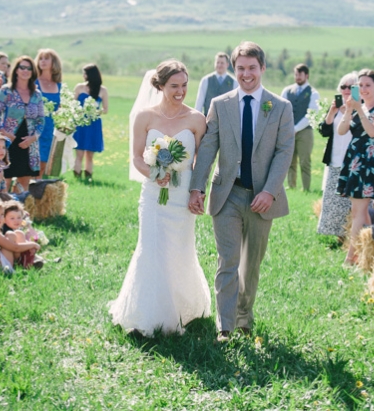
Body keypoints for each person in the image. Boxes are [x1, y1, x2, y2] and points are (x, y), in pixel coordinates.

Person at [189, 41, 295, 342]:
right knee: (228, 261)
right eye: (240, 68)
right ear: (233, 70)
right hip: (228, 194)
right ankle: (226, 326)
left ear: (262, 68)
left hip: (262, 197)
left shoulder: (280, 107)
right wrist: (197, 187)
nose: (246, 74)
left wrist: (270, 191)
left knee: (251, 265)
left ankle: (244, 317)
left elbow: (284, 152)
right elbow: (208, 148)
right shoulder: (220, 104)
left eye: (251, 68)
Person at [109, 60, 211, 337]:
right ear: (161, 86)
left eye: (184, 85)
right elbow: (136, 158)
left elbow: (201, 162)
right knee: (152, 249)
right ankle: (148, 317)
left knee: (179, 249)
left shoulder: (196, 119)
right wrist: (154, 173)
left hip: (182, 196)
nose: (180, 91)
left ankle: (183, 306)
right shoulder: (145, 117)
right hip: (154, 195)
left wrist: (197, 192)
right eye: (174, 86)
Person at [335, 68, 374, 264]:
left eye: (368, 85)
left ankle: (351, 257)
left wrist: (358, 109)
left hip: (369, 162)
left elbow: (373, 132)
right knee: (361, 210)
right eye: (361, 86)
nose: (364, 89)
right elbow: (341, 131)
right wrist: (349, 109)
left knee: (358, 211)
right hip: (354, 160)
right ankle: (367, 253)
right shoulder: (361, 108)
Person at [0, 56, 45, 192]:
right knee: (4, 181)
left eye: (29, 68)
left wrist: (33, 137)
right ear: (16, 70)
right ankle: (3, 210)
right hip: (8, 143)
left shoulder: (36, 94)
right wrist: (5, 134)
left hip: (29, 145)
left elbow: (41, 119)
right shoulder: (6, 91)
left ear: (33, 72)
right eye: (22, 67)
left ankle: (18, 210)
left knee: (24, 183)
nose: (25, 71)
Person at [316, 73, 356, 239]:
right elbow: (324, 131)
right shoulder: (335, 107)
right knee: (334, 201)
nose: (346, 90)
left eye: (350, 87)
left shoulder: (359, 107)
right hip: (334, 160)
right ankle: (338, 235)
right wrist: (331, 113)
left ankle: (349, 236)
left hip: (352, 161)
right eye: (343, 87)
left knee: (349, 202)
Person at [282, 63, 320, 191]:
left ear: (306, 75)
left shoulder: (314, 93)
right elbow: (282, 110)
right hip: (288, 130)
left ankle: (306, 188)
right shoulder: (287, 91)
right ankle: (291, 186)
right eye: (296, 74)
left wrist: (296, 128)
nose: (297, 77)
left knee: (305, 161)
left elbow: (311, 114)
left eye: (300, 75)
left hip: (305, 131)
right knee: (289, 161)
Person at [0, 196, 39, 274]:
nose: (0, 218)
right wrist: (33, 244)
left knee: (18, 233)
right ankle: (11, 270)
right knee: (10, 235)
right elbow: (15, 248)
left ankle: (24, 262)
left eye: (2, 214)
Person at [73, 63, 108, 180]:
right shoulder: (79, 87)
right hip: (81, 123)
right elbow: (72, 104)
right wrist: (79, 112)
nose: (83, 76)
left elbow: (105, 109)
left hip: (93, 124)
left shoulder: (102, 90)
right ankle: (77, 176)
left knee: (90, 154)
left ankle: (88, 176)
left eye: (85, 73)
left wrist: (95, 111)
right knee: (79, 153)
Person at [34, 48, 62, 175]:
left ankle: (39, 192)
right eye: (40, 58)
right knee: (34, 166)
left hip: (51, 130)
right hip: (35, 129)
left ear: (54, 62)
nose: (42, 61)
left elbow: (62, 109)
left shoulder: (59, 86)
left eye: (46, 58)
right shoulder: (33, 82)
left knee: (45, 167)